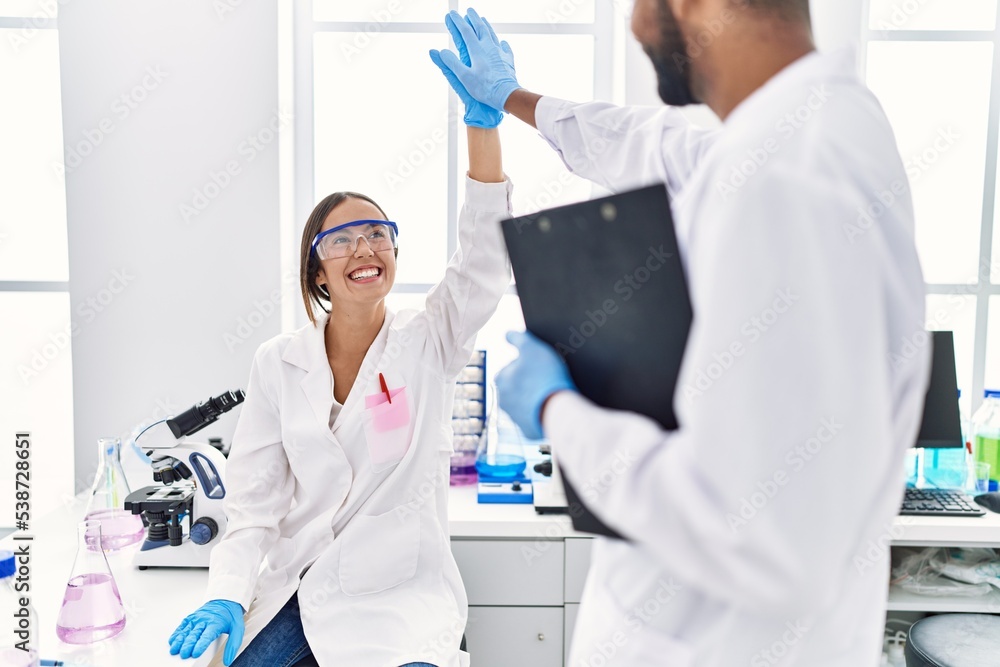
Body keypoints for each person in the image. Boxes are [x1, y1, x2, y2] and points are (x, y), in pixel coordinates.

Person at [433, 1, 929, 665]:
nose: (637, 25)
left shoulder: (784, 174)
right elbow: (654, 141)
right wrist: (514, 100)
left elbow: (762, 535)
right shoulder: (817, 130)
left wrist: (561, 410)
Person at [167, 13, 513, 666]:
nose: (366, 247)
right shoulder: (277, 362)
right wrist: (229, 594)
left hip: (400, 598)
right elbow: (255, 507)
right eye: (344, 238)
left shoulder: (430, 338)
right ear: (317, 268)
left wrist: (483, 127)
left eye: (379, 232)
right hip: (303, 588)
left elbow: (483, 260)